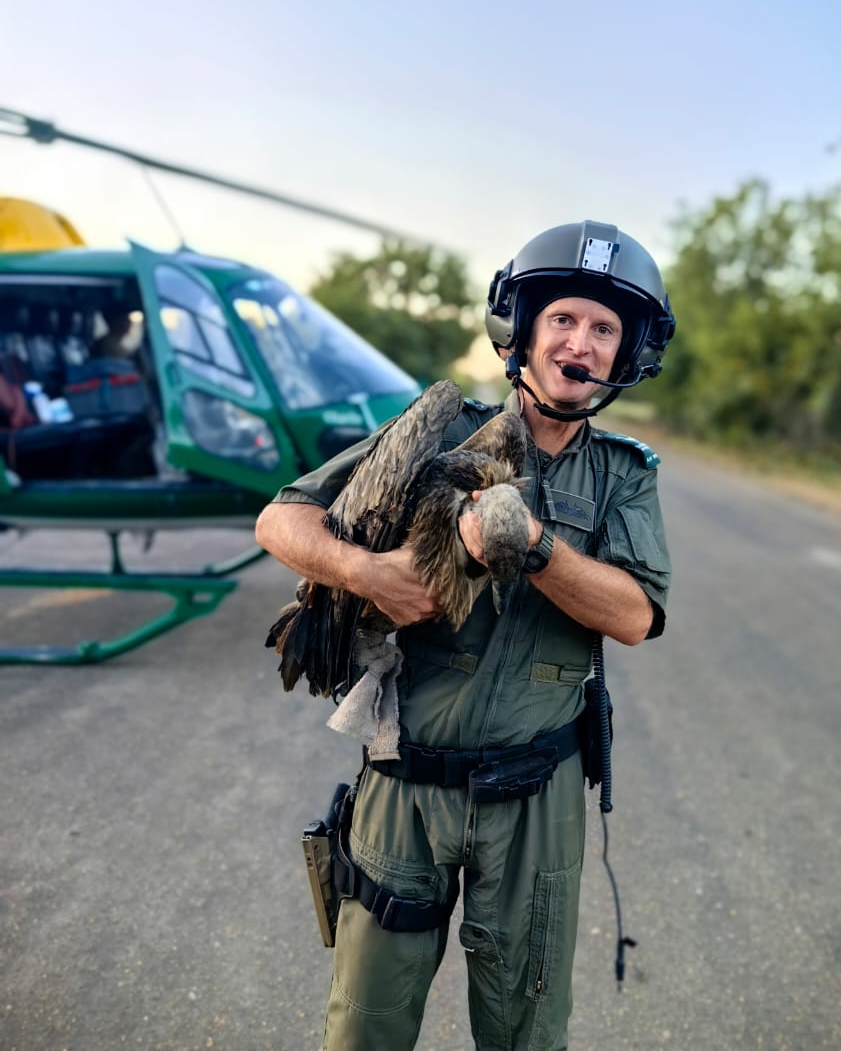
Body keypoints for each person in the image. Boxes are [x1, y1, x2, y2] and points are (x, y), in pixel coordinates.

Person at [255, 220, 675, 1051]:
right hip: (405, 783)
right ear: (522, 329)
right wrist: (366, 574)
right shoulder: (438, 427)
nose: (579, 344)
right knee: (364, 1028)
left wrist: (534, 548)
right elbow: (280, 518)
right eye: (563, 320)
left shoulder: (623, 475)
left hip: (536, 796)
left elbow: (634, 615)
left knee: (526, 1029)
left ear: (623, 357)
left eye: (602, 330)